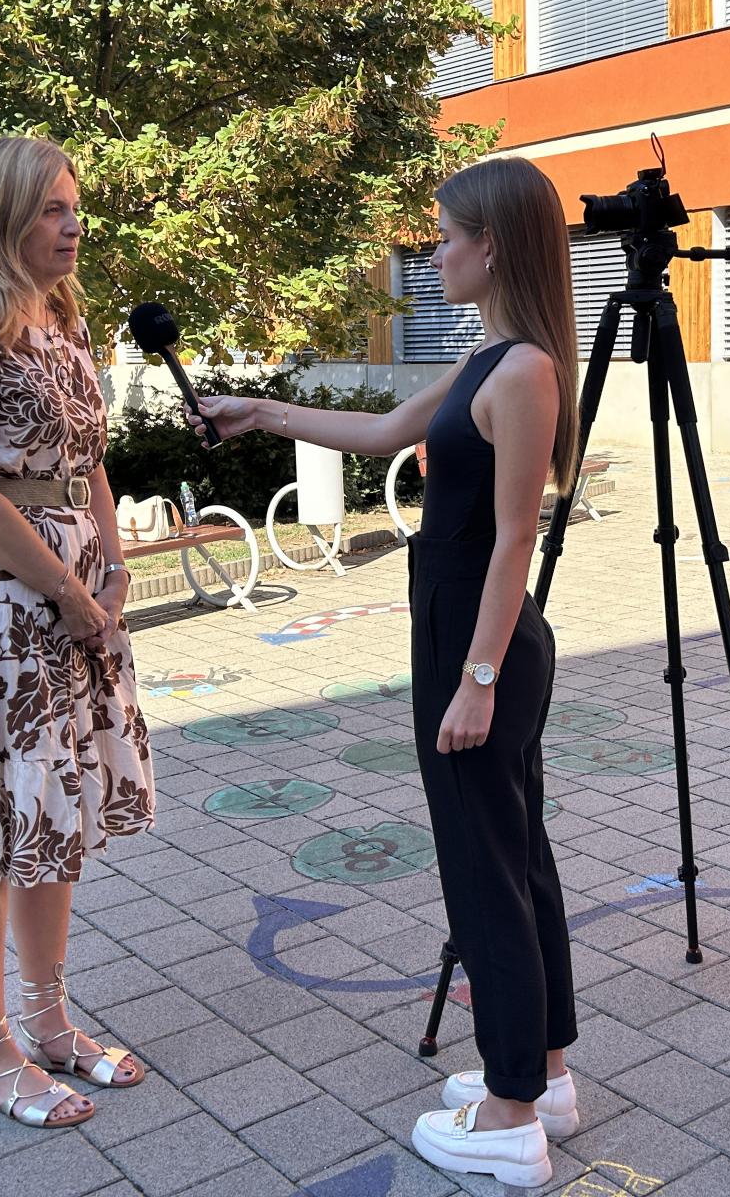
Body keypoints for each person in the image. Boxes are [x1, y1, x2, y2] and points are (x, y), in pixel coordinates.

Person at [192, 156, 579, 1187]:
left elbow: (515, 538)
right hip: (464, 632)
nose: (434, 252)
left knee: (484, 873)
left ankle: (510, 1117)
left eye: (446, 236)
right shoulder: (490, 359)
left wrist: (478, 678)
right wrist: (259, 411)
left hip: (480, 640)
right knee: (514, 858)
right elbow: (379, 434)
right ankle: (542, 1071)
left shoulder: (525, 371)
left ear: (492, 245)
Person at [0, 135, 154, 1128]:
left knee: (53, 819)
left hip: (75, 595)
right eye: (52, 208)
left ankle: (49, 1024)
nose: (73, 225)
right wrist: (66, 591)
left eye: (74, 206)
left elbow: (89, 460)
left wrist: (114, 566)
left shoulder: (63, 318)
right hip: (1, 610)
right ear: (3, 215)